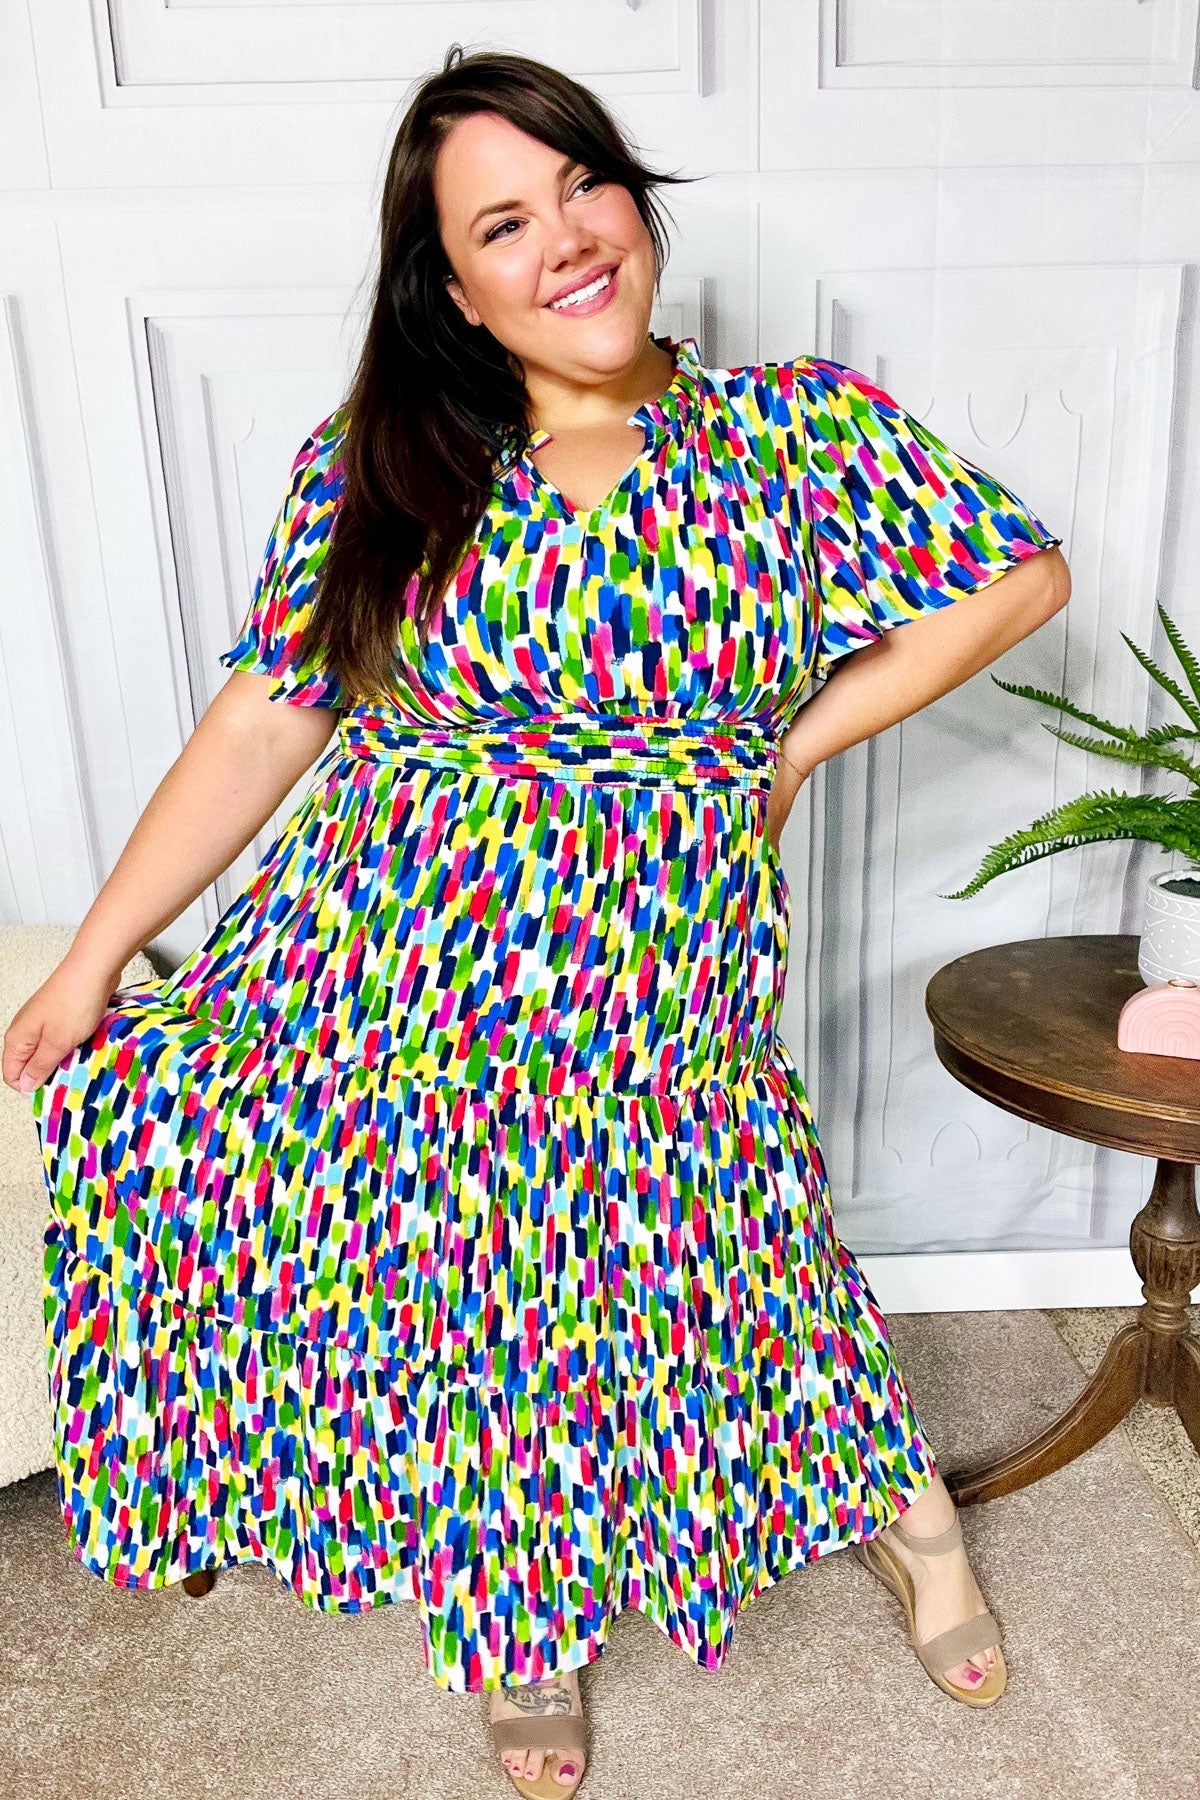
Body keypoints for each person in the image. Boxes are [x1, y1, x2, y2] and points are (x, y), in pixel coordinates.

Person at [4, 44, 1068, 1800]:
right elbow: (268, 717)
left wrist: (787, 744)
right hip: (390, 955)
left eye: (586, 186)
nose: (566, 238)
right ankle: (520, 1617)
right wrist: (98, 953)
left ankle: (909, 1520)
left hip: (655, 967)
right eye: (503, 223)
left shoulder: (794, 432)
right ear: (455, 288)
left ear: (636, 207)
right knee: (469, 1293)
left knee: (732, 1255)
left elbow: (1020, 579)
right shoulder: (387, 459)